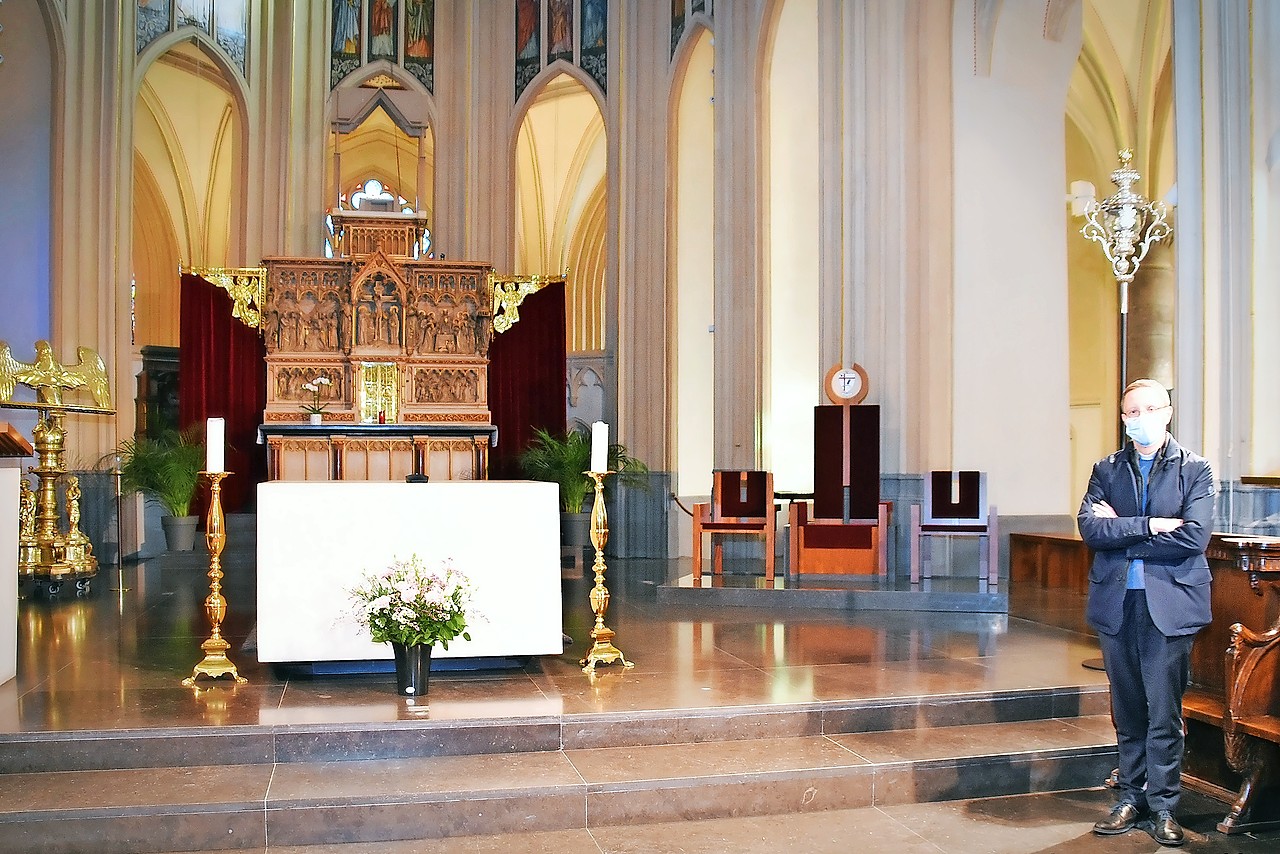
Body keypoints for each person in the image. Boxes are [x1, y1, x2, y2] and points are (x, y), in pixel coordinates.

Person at [1077, 378, 1215, 847]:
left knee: (1164, 714)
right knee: (1128, 709)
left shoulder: (1196, 470)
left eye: (1149, 409)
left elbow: (1194, 538)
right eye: (1131, 412)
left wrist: (1125, 534)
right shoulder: (1106, 469)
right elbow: (1091, 530)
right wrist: (1153, 525)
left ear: (1168, 412)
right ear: (1122, 418)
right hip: (1117, 604)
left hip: (1170, 606)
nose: (1140, 418)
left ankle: (1164, 807)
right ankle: (1130, 798)